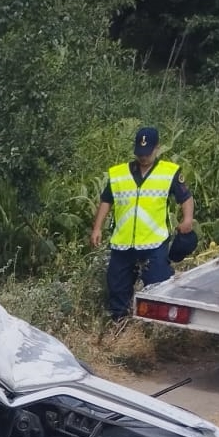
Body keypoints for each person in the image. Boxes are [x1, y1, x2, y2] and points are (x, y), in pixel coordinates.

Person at [90, 126, 196, 322]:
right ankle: (119, 325)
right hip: (123, 242)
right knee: (118, 287)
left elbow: (186, 198)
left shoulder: (169, 172)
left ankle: (156, 327)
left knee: (158, 286)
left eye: (147, 153)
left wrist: (187, 219)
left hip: (154, 241)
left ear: (157, 149)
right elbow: (106, 200)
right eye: (139, 153)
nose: (143, 157)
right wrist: (97, 228)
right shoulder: (119, 173)